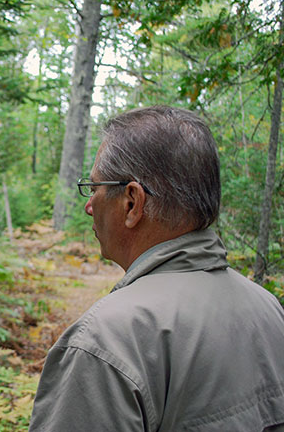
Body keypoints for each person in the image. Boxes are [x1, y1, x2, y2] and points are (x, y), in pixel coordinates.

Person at [29, 106, 284, 431]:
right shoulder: (268, 307)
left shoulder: (106, 342)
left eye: (94, 188)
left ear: (132, 202)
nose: (88, 205)